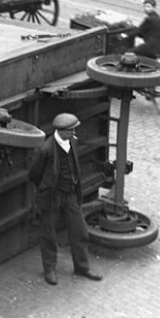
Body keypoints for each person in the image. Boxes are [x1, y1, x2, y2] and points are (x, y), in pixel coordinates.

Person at [28, 112, 102, 285]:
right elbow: (34, 174)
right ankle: (50, 269)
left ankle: (82, 267)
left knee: (79, 230)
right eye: (72, 130)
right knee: (49, 234)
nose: (74, 133)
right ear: (62, 131)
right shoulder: (45, 149)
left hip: (70, 195)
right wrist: (46, 188)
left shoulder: (72, 142)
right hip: (52, 196)